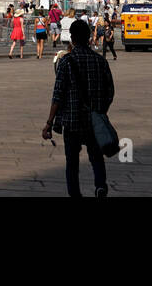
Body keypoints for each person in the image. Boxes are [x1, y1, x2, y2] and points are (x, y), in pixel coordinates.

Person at [43, 19, 115, 197]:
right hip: (94, 119)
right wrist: (101, 110)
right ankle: (100, 186)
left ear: (72, 38)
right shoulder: (100, 61)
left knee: (72, 163)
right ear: (90, 37)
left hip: (73, 121)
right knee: (96, 157)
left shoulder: (66, 62)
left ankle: (75, 194)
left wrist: (49, 123)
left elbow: (57, 94)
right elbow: (110, 90)